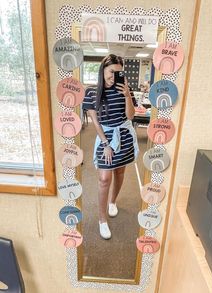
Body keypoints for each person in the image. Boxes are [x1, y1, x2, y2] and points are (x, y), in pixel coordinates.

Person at [82, 54, 139, 239]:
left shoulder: (124, 89)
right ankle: (102, 219)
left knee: (120, 172)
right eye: (110, 71)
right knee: (104, 178)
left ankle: (112, 202)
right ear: (103, 70)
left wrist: (128, 95)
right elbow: (95, 122)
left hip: (123, 135)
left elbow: (130, 116)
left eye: (117, 72)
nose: (113, 76)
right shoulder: (91, 92)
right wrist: (106, 144)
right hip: (105, 137)